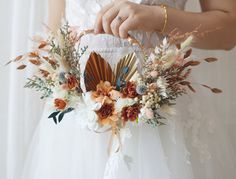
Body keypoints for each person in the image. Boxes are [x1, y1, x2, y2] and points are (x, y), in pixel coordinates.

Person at [21, 0, 236, 179]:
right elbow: (56, 31)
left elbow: (230, 29)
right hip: (77, 125)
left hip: (162, 117)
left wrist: (158, 18)